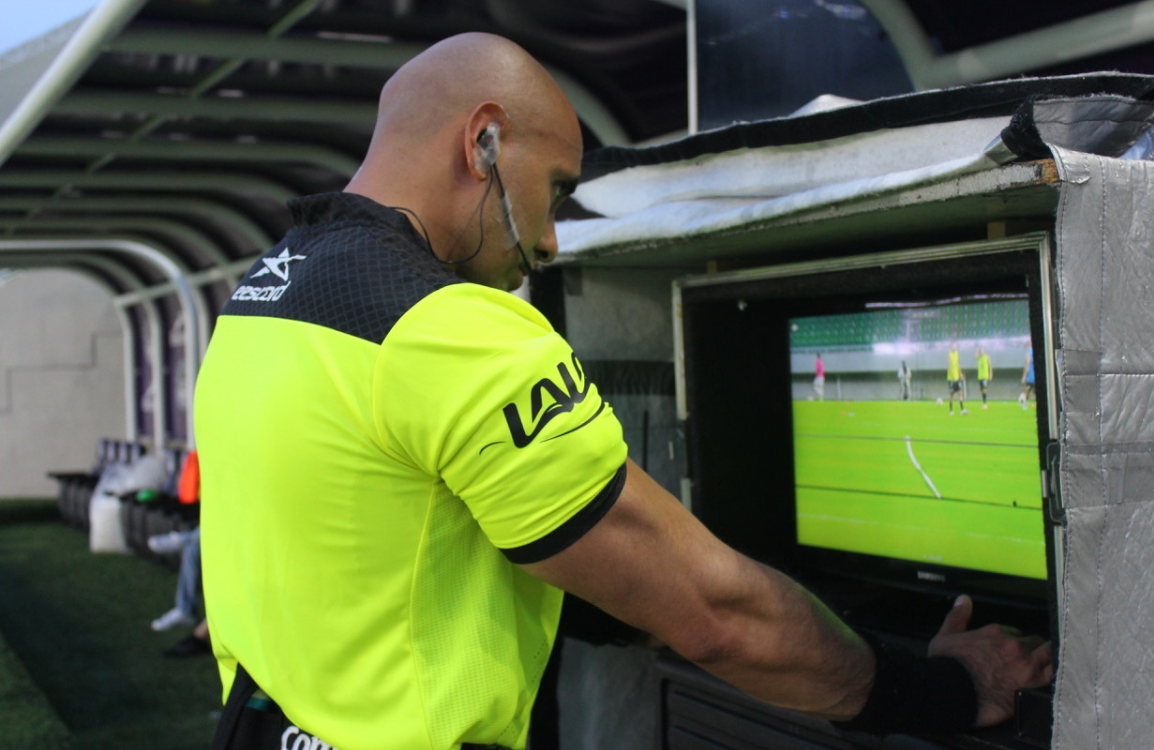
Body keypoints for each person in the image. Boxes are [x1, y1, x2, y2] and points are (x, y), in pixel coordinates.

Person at [195, 33, 1052, 750]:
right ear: (483, 141)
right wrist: (938, 687)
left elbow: (398, 551)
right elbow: (716, 615)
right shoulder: (450, 328)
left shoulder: (265, 297)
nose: (554, 239)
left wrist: (635, 598)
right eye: (558, 189)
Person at [947, 343, 968, 415]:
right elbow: (949, 366)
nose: (954, 347)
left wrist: (960, 374)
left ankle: (962, 409)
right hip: (951, 378)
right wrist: (952, 376)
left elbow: (958, 364)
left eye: (955, 346)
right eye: (953, 346)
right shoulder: (949, 354)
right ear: (951, 347)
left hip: (957, 377)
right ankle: (951, 410)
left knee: (960, 393)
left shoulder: (957, 353)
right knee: (952, 394)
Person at [1020, 343, 1036, 410]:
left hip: (1031, 375)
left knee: (1029, 389)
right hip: (1033, 374)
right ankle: (1023, 399)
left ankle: (1023, 400)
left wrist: (1024, 376)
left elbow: (1027, 362)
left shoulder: (1028, 351)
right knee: (1033, 390)